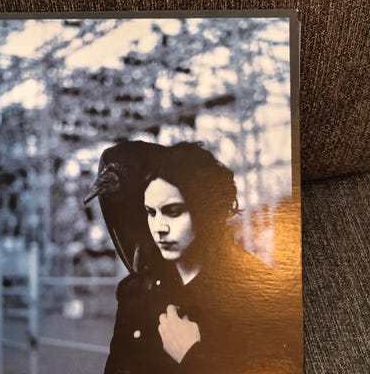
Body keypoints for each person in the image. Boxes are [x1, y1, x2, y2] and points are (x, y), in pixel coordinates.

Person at [86, 141, 301, 374]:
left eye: (173, 211)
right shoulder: (135, 293)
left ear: (205, 212)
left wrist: (193, 356)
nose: (159, 228)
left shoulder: (257, 291)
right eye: (151, 212)